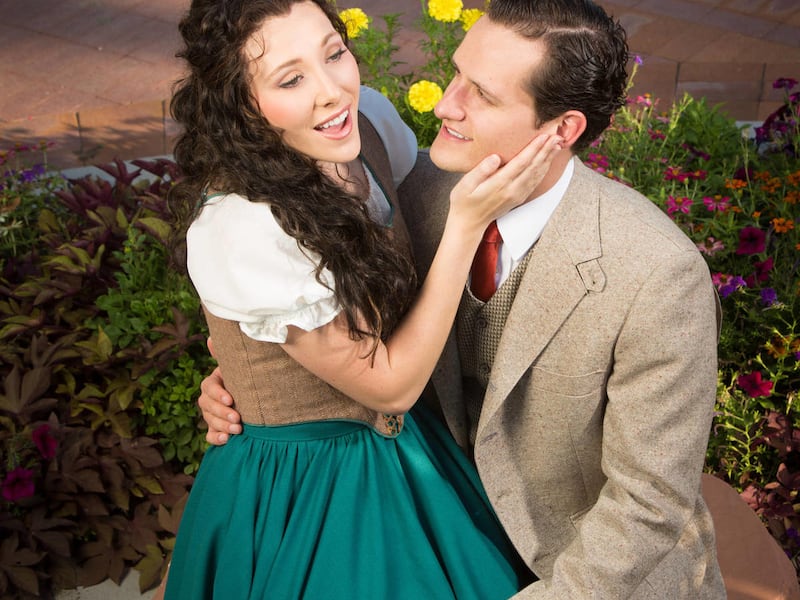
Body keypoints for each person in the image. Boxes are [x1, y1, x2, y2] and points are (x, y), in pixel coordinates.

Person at [199, 0, 728, 597]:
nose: (446, 105)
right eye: (455, 74)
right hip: (432, 525)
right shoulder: (411, 196)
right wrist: (251, 375)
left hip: (580, 572)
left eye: (483, 94)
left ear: (563, 129)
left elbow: (648, 504)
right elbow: (311, 300)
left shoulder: (657, 275)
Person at [160, 0, 563, 598]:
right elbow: (390, 385)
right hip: (307, 485)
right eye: (291, 79)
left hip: (407, 449)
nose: (332, 92)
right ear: (239, 102)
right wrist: (466, 226)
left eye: (334, 53)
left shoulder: (365, 125)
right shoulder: (242, 225)